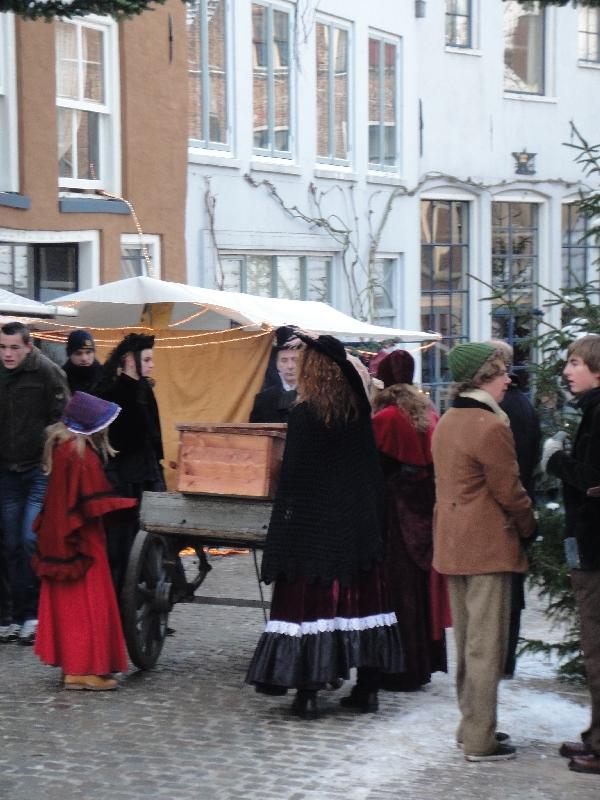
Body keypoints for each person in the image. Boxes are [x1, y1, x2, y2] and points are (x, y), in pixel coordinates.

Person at [246, 334, 404, 718]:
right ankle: (367, 690)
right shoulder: (357, 413)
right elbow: (369, 471)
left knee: (311, 609)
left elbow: (295, 476)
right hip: (356, 529)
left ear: (312, 372)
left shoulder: (305, 415)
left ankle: (309, 692)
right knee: (361, 606)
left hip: (314, 531)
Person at [432, 342, 535, 762]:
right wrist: (530, 525)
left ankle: (470, 724)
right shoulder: (490, 426)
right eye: (500, 374)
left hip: (454, 544)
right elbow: (510, 491)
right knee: (486, 646)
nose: (508, 379)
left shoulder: (448, 421)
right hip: (488, 547)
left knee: (469, 645)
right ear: (481, 379)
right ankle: (479, 738)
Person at [32, 392, 137, 691]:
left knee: (70, 603)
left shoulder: (62, 449)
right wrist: (128, 507)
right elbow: (93, 503)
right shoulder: (81, 455)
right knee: (88, 601)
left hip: (60, 536)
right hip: (82, 541)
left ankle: (75, 669)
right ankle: (86, 668)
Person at [372, 349, 450, 692]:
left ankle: (398, 667)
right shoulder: (428, 413)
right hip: (424, 506)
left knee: (396, 590)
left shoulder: (385, 417)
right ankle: (422, 664)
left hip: (394, 512)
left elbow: (375, 467)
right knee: (418, 590)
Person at [543, 334, 600, 776]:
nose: (567, 371)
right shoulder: (592, 410)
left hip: (597, 550)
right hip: (589, 546)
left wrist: (557, 459)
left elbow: (592, 479)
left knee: (597, 648)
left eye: (575, 363)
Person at [0, 321, 69, 646]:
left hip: (37, 469)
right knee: (10, 544)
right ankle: (13, 616)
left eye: (14, 347)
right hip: (7, 470)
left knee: (29, 539)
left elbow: (63, 417)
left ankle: (33, 614)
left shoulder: (46, 371)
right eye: (3, 347)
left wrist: (47, 441)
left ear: (28, 346)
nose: (8, 354)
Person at [99, 333, 165, 593]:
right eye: (146, 359)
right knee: (123, 547)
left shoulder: (145, 389)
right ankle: (123, 608)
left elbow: (154, 433)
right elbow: (112, 443)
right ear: (129, 360)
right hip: (124, 480)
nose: (151, 364)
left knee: (156, 539)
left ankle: (154, 603)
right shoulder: (113, 393)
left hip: (149, 474)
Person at [491, 340, 541, 678]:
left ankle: (500, 659)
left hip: (505, 510)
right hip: (519, 503)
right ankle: (505, 657)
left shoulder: (502, 409)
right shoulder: (523, 404)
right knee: (513, 591)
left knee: (503, 594)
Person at [250, 327, 301, 423]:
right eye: (284, 360)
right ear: (277, 364)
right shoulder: (263, 399)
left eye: (295, 360)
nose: (290, 366)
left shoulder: (314, 397)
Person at [62, 329, 104, 396]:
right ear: (69, 354)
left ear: (94, 353)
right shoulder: (60, 378)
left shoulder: (106, 375)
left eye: (88, 352)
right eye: (78, 353)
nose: (84, 358)